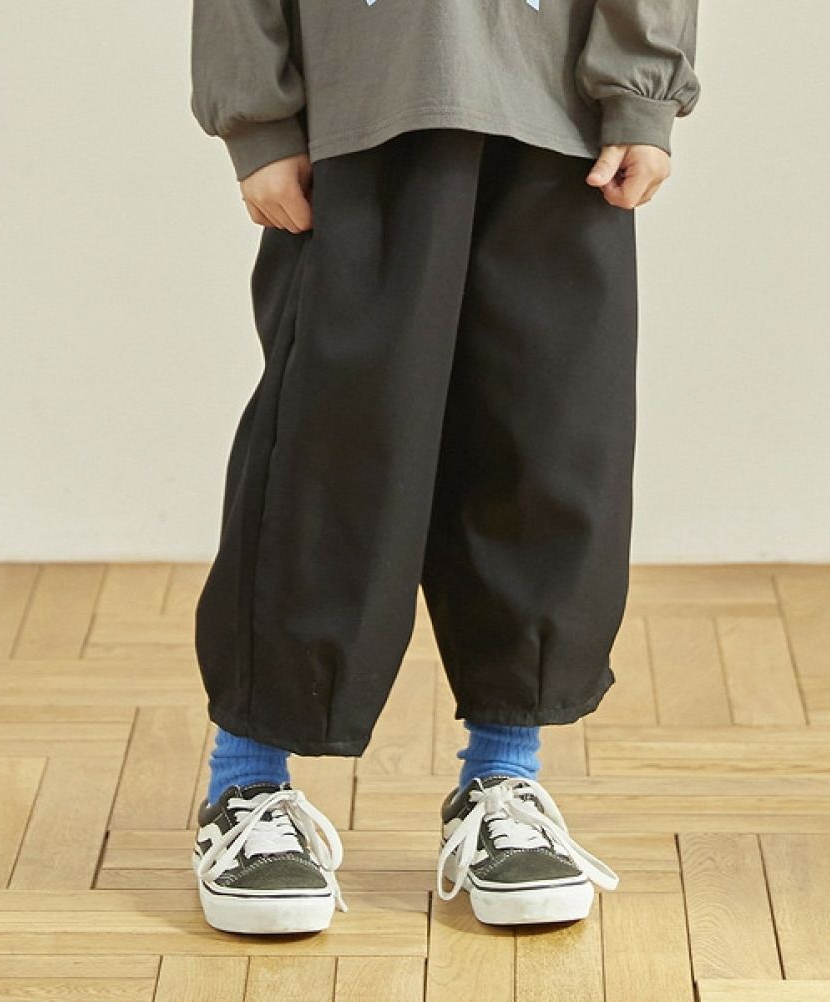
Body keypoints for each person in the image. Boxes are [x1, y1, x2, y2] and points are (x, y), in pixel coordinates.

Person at [189, 0, 701, 936]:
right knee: (330, 446)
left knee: (545, 445)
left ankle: (504, 779)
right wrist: (257, 113)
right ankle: (246, 784)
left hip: (557, 111)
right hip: (362, 99)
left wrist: (641, 89)